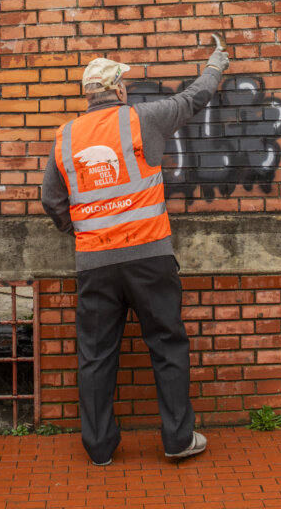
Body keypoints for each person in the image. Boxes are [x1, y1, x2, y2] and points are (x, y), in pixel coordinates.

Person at [41, 42, 229, 466]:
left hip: (95, 261)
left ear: (89, 94)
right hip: (149, 258)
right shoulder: (143, 119)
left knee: (95, 354)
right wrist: (217, 62)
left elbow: (51, 200)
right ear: (119, 89)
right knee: (166, 344)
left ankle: (100, 449)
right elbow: (194, 98)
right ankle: (178, 440)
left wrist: (80, 227)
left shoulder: (66, 137)